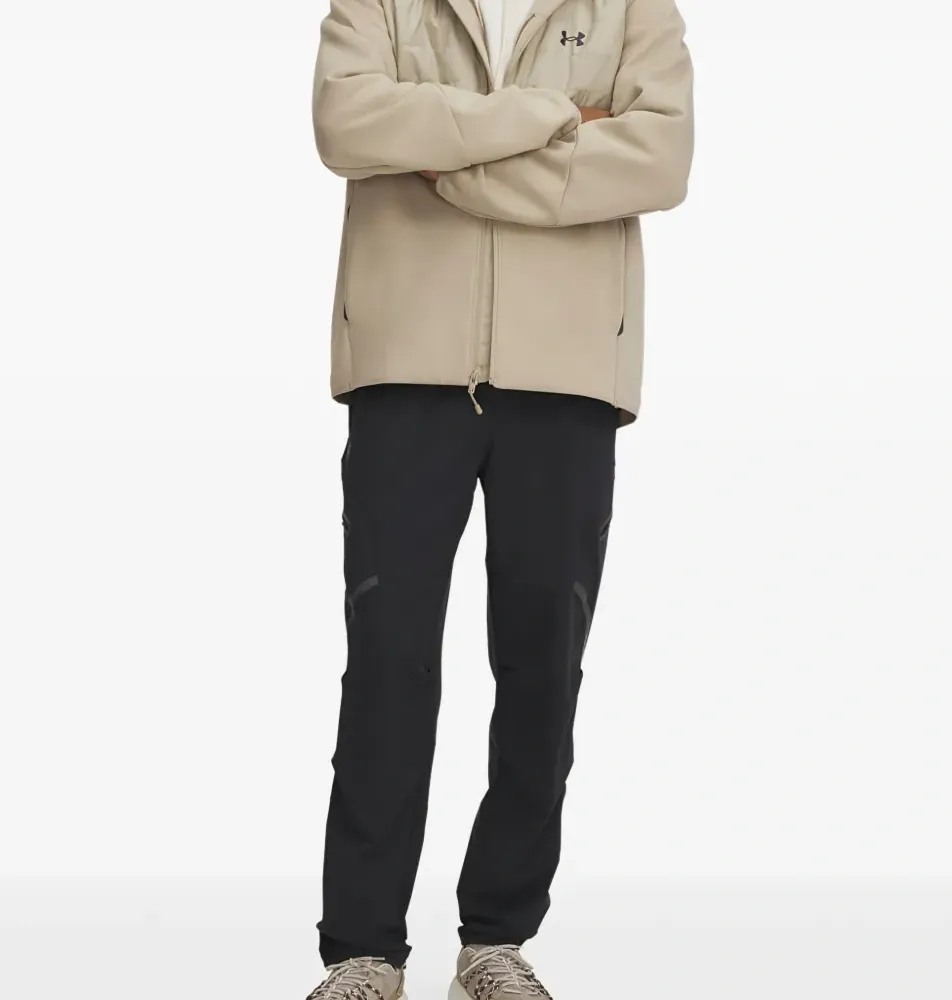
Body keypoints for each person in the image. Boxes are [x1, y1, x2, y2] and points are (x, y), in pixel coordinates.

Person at [307, 0, 693, 995]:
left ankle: (495, 941)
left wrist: (447, 156)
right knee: (388, 658)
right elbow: (347, 124)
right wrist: (550, 117)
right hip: (405, 365)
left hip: (568, 374)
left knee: (542, 665)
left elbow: (659, 159)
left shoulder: (633, 6)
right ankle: (362, 950)